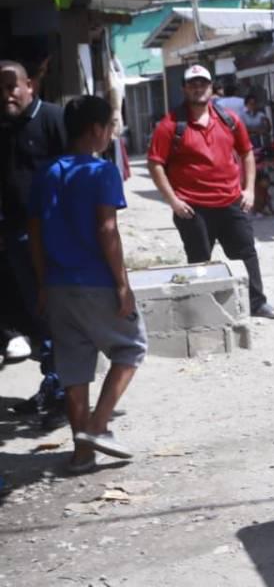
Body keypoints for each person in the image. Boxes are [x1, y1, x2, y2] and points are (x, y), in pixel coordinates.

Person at [28, 96, 147, 472]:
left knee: (75, 368)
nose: (111, 133)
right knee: (131, 347)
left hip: (58, 284)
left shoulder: (46, 173)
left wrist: (43, 282)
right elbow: (107, 228)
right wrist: (123, 284)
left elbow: (34, 233)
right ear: (97, 130)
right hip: (96, 280)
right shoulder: (101, 171)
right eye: (111, 126)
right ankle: (98, 426)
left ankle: (82, 455)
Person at [146, 65, 274, 319]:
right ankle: (201, 312)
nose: (198, 88)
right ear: (184, 89)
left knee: (246, 254)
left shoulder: (229, 119)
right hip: (193, 208)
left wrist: (249, 189)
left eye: (203, 83)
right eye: (192, 84)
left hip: (231, 202)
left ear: (211, 87)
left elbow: (246, 153)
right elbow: (155, 163)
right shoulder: (170, 125)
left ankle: (257, 303)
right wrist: (173, 201)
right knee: (199, 261)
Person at [0, 59, 67, 428]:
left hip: (53, 237)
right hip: (17, 236)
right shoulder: (4, 128)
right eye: (0, 89)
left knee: (56, 314)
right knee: (36, 317)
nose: (7, 94)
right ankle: (52, 382)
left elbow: (76, 172)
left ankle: (63, 394)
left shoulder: (54, 119)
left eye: (12, 86)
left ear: (30, 86)